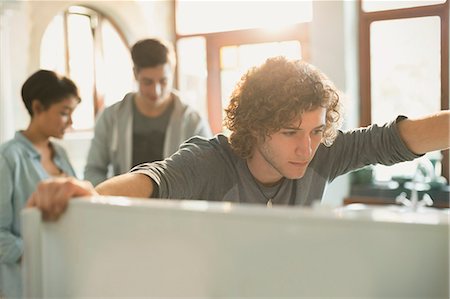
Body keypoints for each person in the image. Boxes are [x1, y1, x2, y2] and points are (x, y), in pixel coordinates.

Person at [28, 56, 449, 219]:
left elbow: (393, 139)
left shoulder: (322, 151)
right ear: (254, 125)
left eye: (316, 130)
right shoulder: (212, 160)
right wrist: (87, 195)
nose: (306, 147)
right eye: (289, 133)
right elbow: (154, 180)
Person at [84, 38, 212, 186]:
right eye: (148, 82)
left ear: (172, 72)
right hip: (123, 204)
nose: (156, 91)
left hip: (176, 207)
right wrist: (111, 198)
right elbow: (93, 171)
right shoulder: (110, 117)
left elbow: (207, 174)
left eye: (163, 81)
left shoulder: (193, 121)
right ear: (135, 74)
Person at [0, 70, 80, 298]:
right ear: (37, 108)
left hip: (64, 277)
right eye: (65, 113)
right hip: (25, 286)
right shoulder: (8, 158)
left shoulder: (60, 154)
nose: (71, 122)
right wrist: (39, 253)